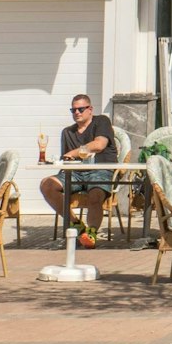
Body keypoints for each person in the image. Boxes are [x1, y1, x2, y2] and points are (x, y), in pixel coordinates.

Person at [39, 94, 117, 249]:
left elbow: (99, 144)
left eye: (81, 109)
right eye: (73, 110)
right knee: (46, 184)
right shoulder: (67, 132)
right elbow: (66, 160)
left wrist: (74, 152)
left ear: (90, 109)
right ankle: (76, 225)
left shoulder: (101, 121)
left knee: (95, 194)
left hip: (100, 169)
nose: (77, 113)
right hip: (75, 172)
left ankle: (91, 234)